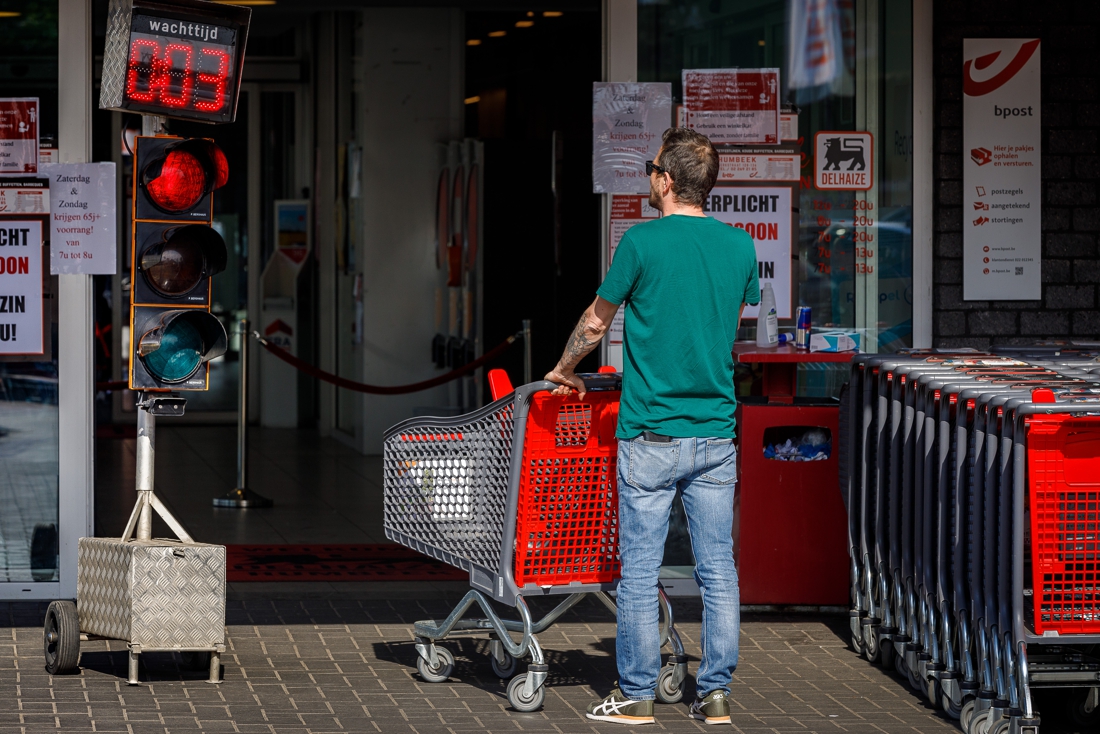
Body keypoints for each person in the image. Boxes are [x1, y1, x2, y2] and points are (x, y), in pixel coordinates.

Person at [544, 127, 760, 725]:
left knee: (639, 569)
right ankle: (715, 693)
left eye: (650, 168)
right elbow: (722, 323)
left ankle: (636, 694)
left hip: (650, 434)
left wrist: (564, 369)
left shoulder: (639, 244)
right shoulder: (740, 247)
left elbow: (595, 322)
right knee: (718, 568)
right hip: (715, 431)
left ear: (665, 179)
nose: (648, 177)